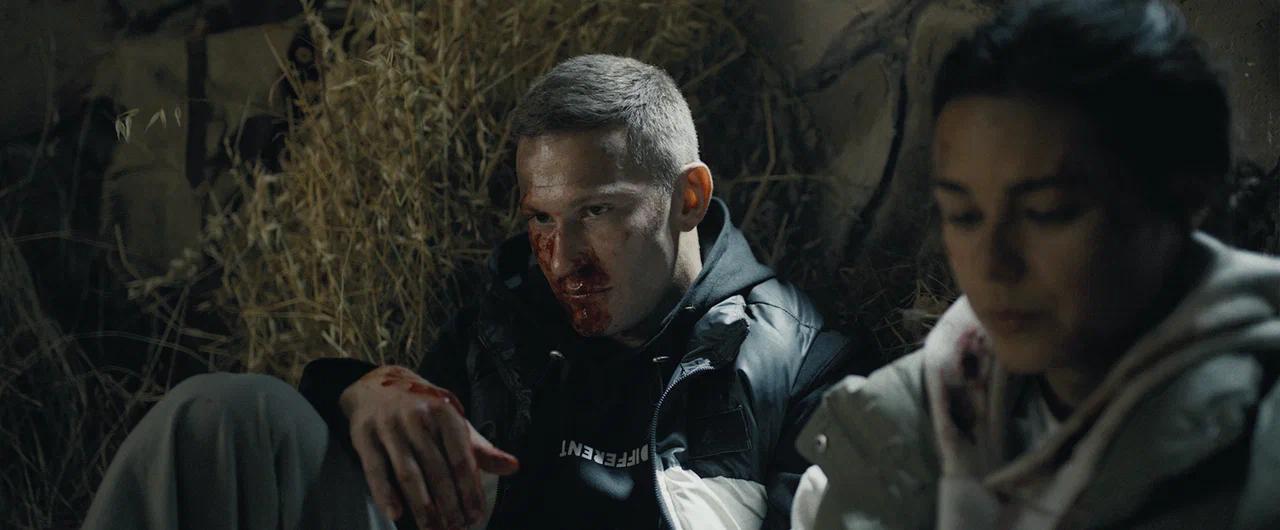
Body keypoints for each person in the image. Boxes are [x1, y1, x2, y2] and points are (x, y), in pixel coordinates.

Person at [83, 54, 855, 530]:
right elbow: (395, 468)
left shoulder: (797, 361)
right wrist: (358, 392)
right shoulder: (509, 318)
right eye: (542, 218)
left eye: (597, 212)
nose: (563, 259)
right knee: (223, 418)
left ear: (688, 198)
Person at [790, 0, 1280, 528]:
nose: (993, 265)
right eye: (963, 215)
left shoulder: (1257, 443)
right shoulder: (907, 423)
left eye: (1047, 213)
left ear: (1186, 196)